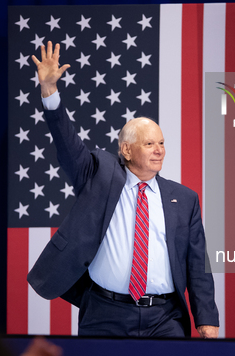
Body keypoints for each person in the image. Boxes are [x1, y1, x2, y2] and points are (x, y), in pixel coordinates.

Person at [27, 41, 219, 338]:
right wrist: (50, 92)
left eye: (162, 143)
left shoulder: (185, 199)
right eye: (149, 144)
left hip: (165, 318)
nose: (159, 151)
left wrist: (206, 318)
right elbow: (67, 146)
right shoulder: (99, 174)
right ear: (126, 150)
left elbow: (197, 266)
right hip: (105, 314)